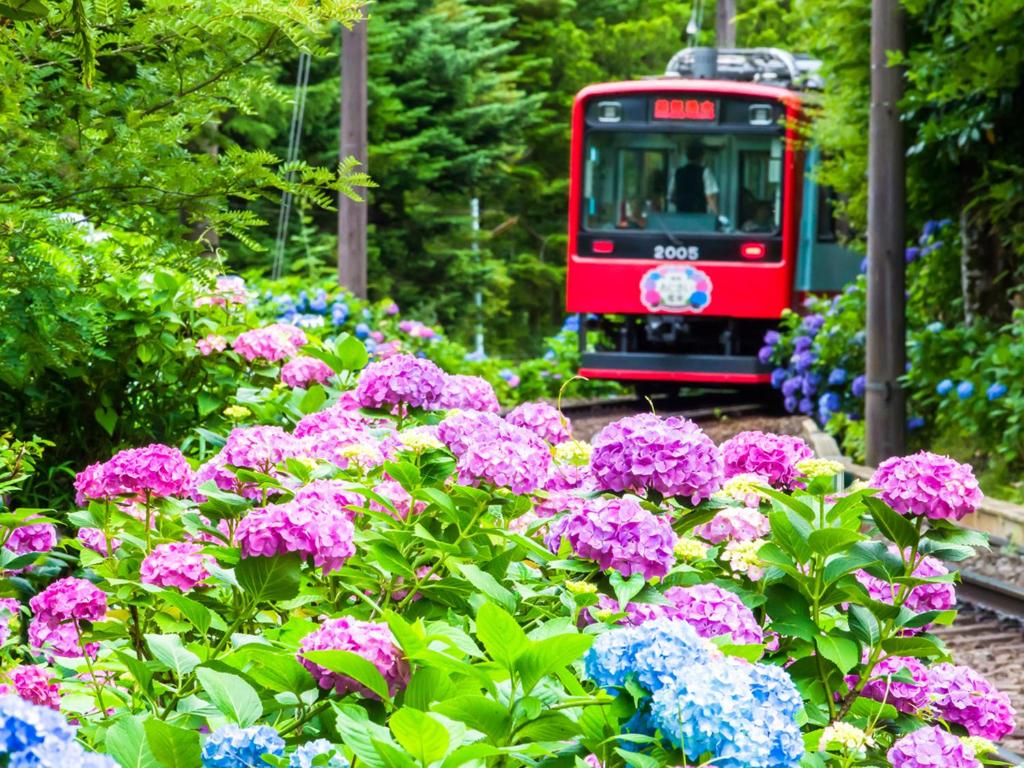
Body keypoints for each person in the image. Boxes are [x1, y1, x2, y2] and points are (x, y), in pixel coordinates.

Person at [673, 142, 719, 215]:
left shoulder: (678, 173)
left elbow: (673, 197)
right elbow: (710, 197)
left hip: (681, 217)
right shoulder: (705, 172)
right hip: (699, 218)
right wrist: (716, 216)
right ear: (701, 156)